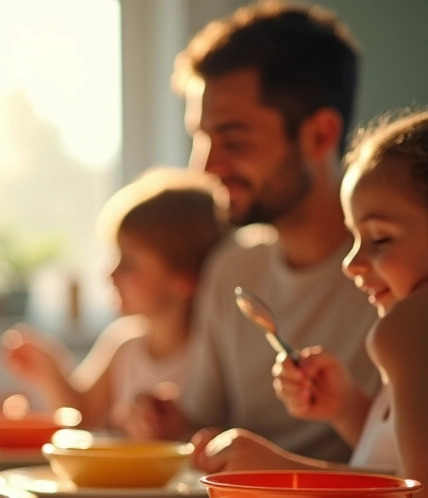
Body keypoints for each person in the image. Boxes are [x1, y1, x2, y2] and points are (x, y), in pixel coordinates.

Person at [126, 2, 380, 462]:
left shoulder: (394, 274)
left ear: (320, 135)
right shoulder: (232, 269)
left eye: (233, 140)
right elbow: (208, 423)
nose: (203, 167)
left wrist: (275, 470)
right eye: (200, 138)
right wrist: (174, 424)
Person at [194, 109, 428, 498]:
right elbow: (397, 463)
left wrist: (282, 473)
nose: (352, 263)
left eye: (380, 238)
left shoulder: (406, 331)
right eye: (355, 238)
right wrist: (348, 408)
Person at [0, 168, 225, 430]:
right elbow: (83, 417)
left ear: (184, 277)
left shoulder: (211, 353)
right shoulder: (123, 344)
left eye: (128, 262)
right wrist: (50, 370)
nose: (111, 273)